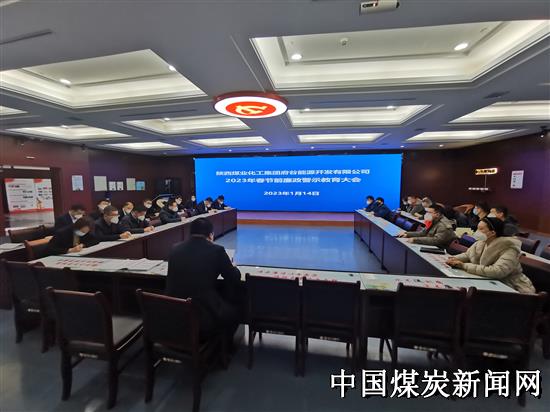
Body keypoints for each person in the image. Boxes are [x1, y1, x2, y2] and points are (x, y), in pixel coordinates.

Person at [165, 218, 242, 340]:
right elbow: (234, 277)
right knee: (236, 311)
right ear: (211, 235)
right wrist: (233, 267)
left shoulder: (175, 248)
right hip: (202, 316)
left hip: (173, 312)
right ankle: (223, 347)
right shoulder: (217, 250)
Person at [446, 217, 535, 294]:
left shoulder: (509, 247)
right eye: (477, 228)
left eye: (481, 229)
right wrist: (453, 259)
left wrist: (464, 266)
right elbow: (468, 255)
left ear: (492, 232)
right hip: (488, 281)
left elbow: (497, 271)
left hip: (512, 287)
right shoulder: (481, 242)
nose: (477, 232)